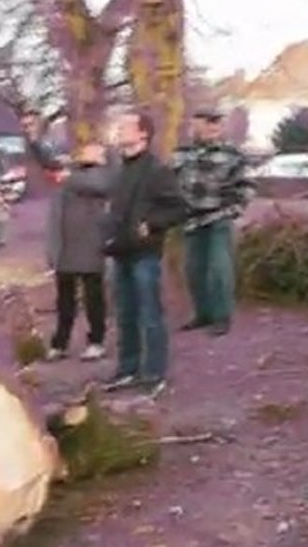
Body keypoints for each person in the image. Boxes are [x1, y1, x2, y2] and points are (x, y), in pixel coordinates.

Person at [103, 111, 186, 398]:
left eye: (125, 126)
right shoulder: (119, 169)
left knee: (150, 313)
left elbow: (178, 208)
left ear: (143, 134)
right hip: (119, 250)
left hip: (145, 253)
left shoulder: (156, 170)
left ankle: (154, 373)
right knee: (125, 314)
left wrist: (151, 224)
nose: (119, 129)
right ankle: (128, 369)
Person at [173, 109, 254, 336]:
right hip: (191, 218)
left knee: (220, 269)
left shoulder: (232, 154)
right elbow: (171, 182)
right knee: (193, 269)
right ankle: (203, 313)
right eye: (205, 123)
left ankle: (222, 316)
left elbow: (247, 184)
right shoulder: (181, 153)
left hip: (220, 216)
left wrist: (236, 208)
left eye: (215, 124)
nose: (211, 128)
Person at [45, 141, 116, 362]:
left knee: (93, 297)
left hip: (91, 245)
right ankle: (60, 342)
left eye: (93, 149)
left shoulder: (103, 175)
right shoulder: (71, 175)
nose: (85, 151)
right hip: (65, 246)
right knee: (64, 300)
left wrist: (68, 176)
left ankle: (96, 341)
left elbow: (100, 186)